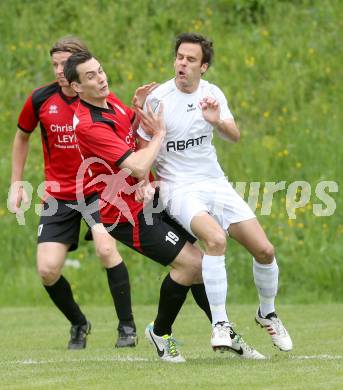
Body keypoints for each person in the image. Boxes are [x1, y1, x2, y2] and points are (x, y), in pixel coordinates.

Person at [63, 50, 265, 362]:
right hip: (124, 213)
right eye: (90, 77)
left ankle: (224, 332)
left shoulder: (112, 102)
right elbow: (140, 164)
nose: (101, 78)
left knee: (200, 261)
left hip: (150, 198)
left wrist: (138, 109)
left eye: (100, 71)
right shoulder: (88, 124)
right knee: (191, 264)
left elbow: (132, 137)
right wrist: (159, 135)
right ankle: (160, 332)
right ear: (76, 87)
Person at [138, 32, 293, 352]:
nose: (182, 63)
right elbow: (142, 145)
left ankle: (267, 313)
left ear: (203, 67)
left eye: (190, 59)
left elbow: (234, 135)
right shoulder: (158, 99)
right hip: (177, 188)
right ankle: (220, 324)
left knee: (265, 251)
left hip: (215, 183)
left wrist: (216, 121)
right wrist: (144, 183)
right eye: (179, 57)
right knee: (215, 240)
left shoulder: (212, 94)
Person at [9, 37, 138, 350]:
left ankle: (127, 327)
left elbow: (129, 131)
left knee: (107, 250)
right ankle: (79, 324)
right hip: (57, 195)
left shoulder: (97, 98)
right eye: (54, 64)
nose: (59, 70)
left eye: (64, 64)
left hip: (95, 190)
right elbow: (22, 137)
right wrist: (16, 182)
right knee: (47, 270)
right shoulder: (40, 99)